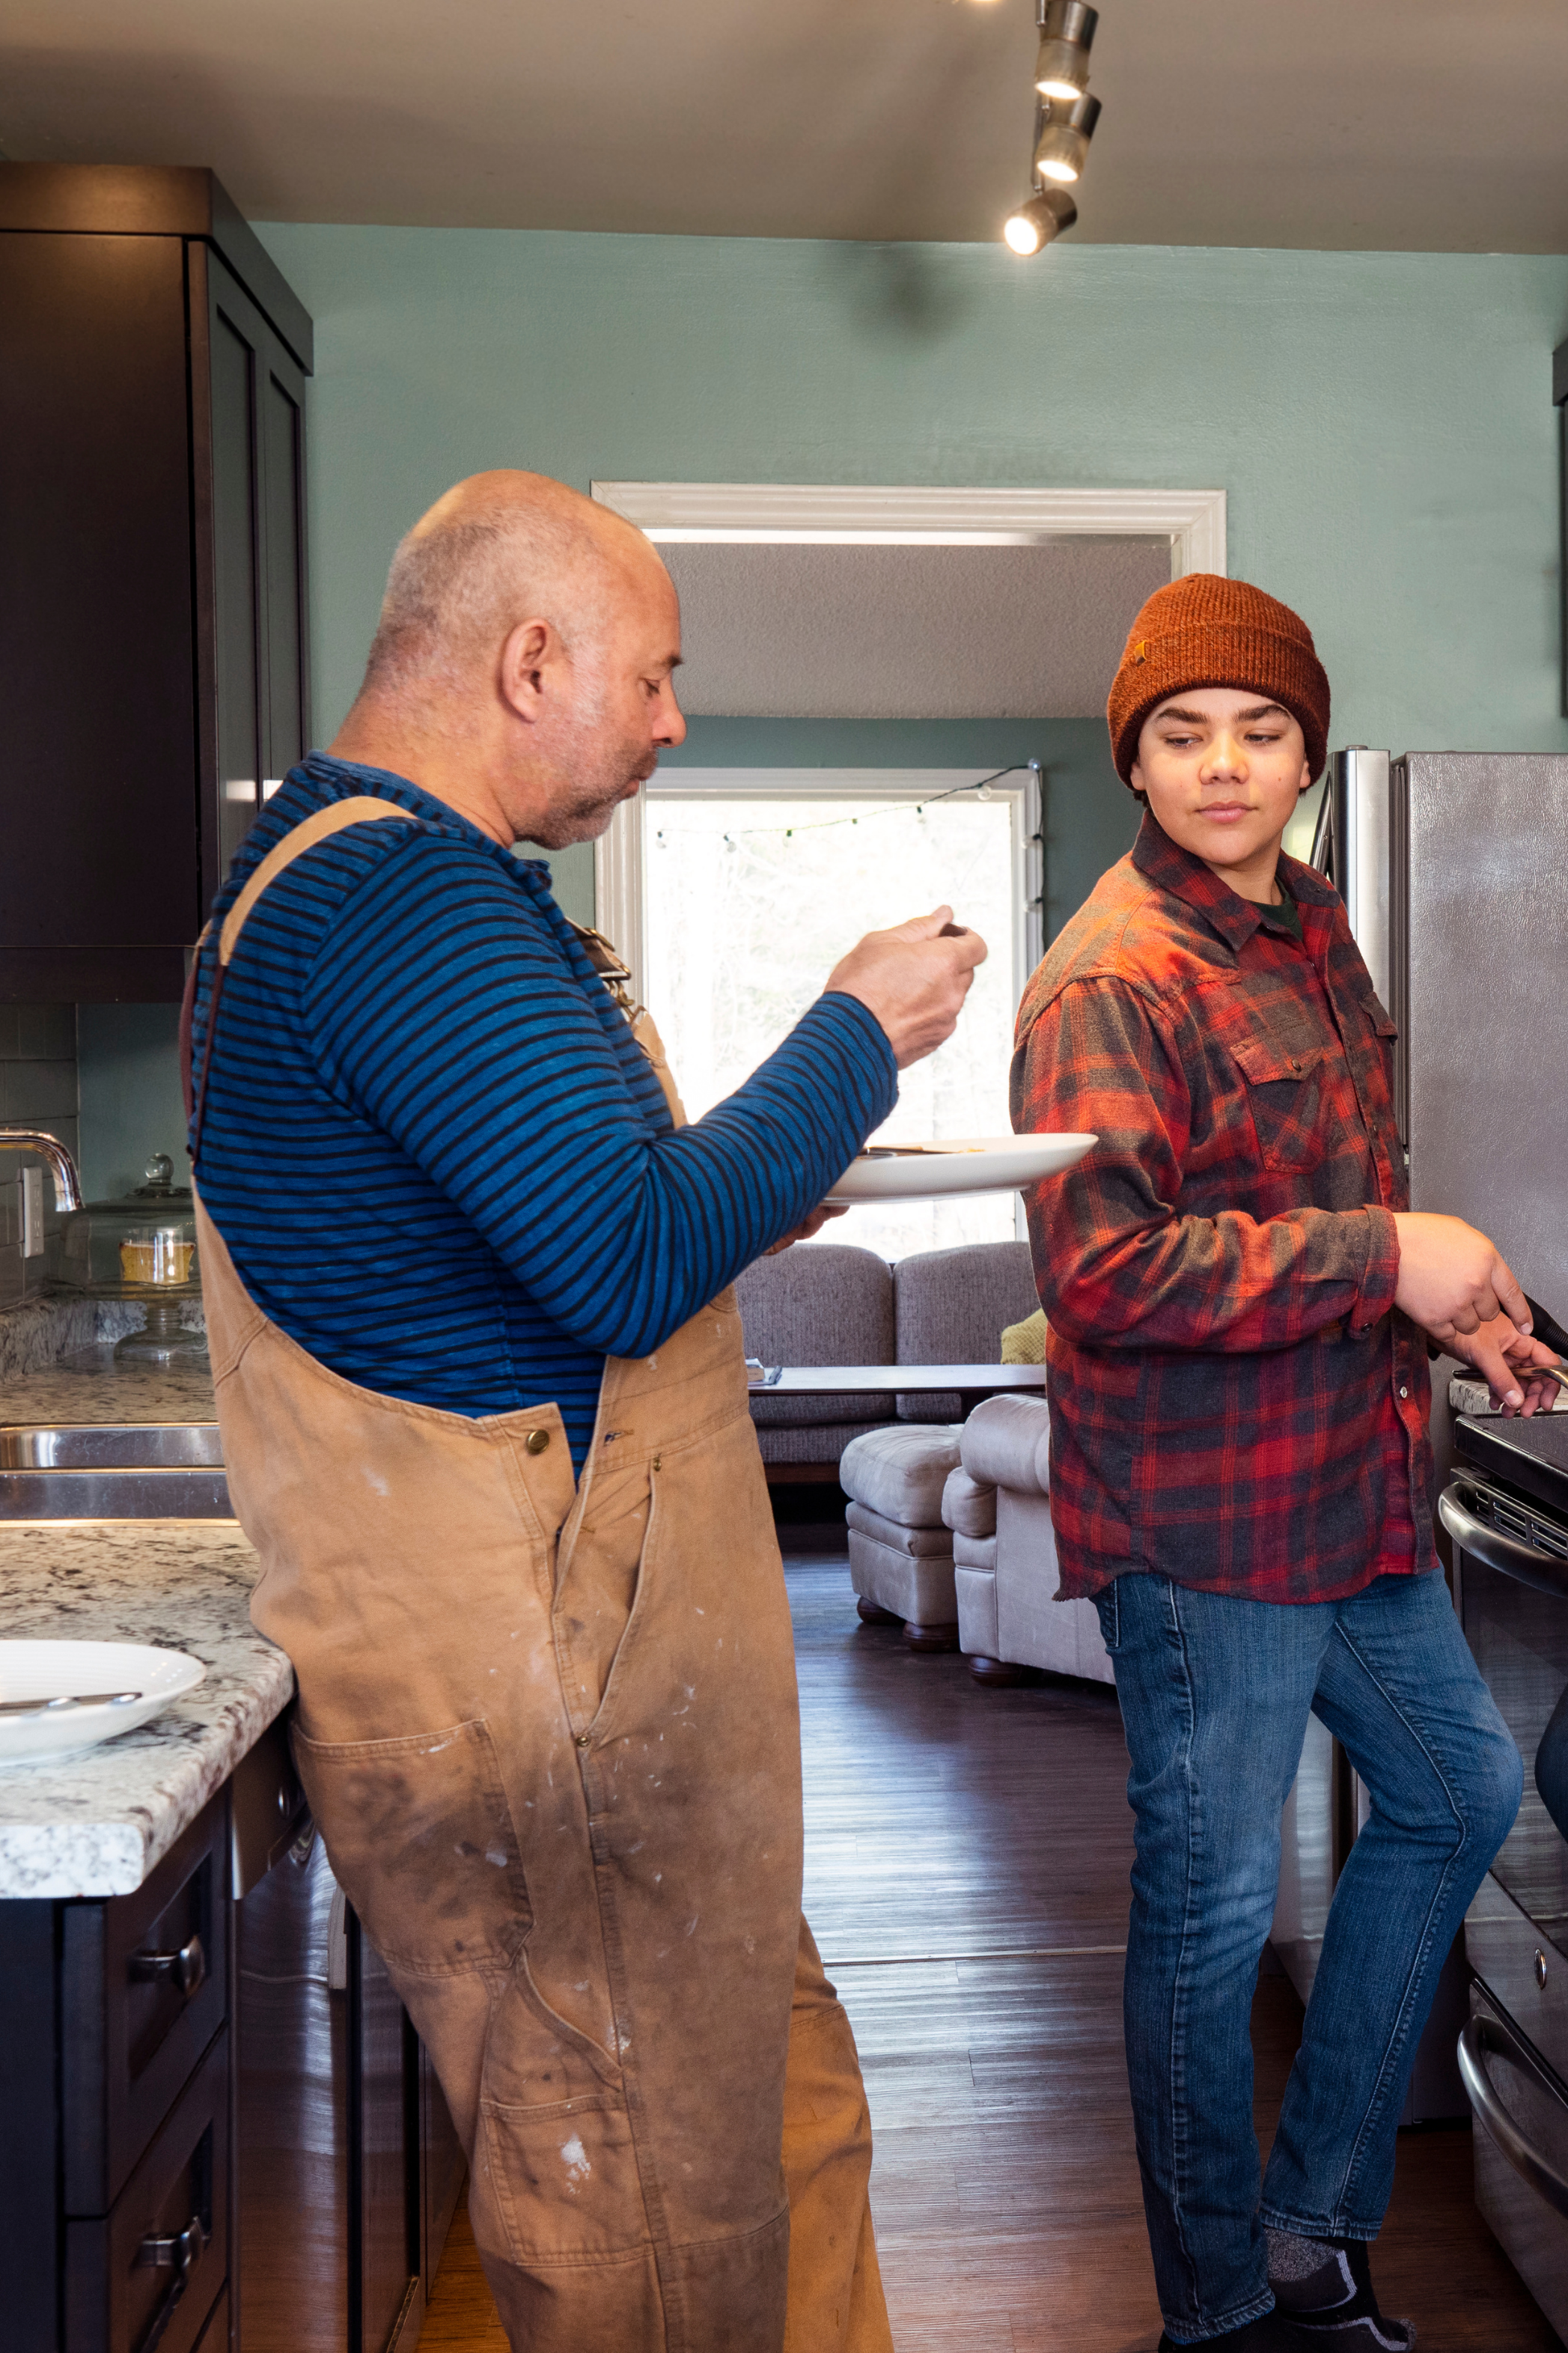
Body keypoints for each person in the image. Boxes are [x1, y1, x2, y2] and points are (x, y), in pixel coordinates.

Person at [182, 471, 986, 2353]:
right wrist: (854, 1029)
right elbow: (627, 1262)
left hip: (606, 1704)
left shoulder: (391, 884)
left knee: (770, 2147)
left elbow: (558, 1218)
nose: (673, 718)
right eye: (655, 675)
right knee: (640, 2226)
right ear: (529, 657)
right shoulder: (395, 896)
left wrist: (761, 1172)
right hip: (550, 1704)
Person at [1010, 575, 1556, 2352]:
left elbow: (1321, 1196)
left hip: (1349, 1477)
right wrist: (1386, 1258)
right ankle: (1224, 2310)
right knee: (1212, 1902)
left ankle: (1314, 2221)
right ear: (1136, 760)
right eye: (1183, 735)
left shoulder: (1308, 923)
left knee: (1458, 1791)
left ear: (1306, 752)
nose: (1223, 765)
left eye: (1258, 731)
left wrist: (1441, 1310)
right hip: (1205, 1513)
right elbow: (1101, 1271)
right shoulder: (1114, 974)